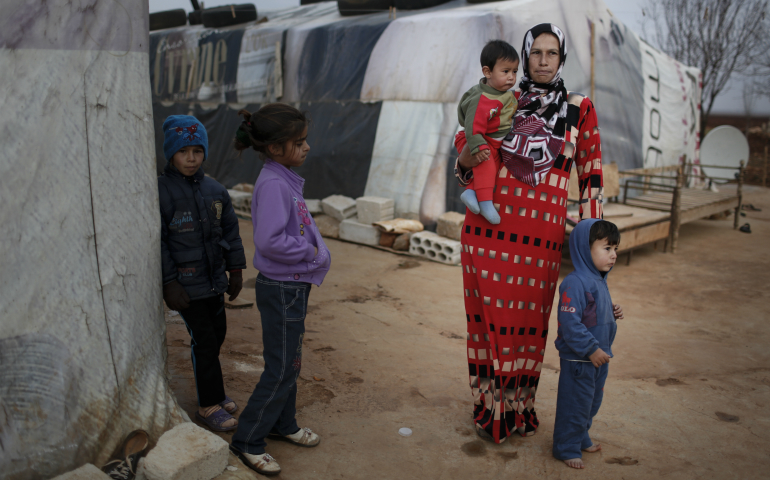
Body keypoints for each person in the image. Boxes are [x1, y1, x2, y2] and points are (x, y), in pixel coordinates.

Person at [454, 23, 605, 444]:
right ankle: (490, 410)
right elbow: (463, 156)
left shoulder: (579, 108)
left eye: (551, 53)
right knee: (487, 326)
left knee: (528, 329)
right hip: (487, 233)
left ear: (561, 59)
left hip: (539, 246)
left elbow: (590, 177)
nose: (542, 60)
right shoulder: (503, 94)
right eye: (535, 52)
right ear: (524, 56)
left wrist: (595, 248)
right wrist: (470, 148)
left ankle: (518, 409)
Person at [228, 103, 331, 477]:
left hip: (293, 286)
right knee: (281, 366)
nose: (306, 148)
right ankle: (248, 440)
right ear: (274, 148)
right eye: (298, 142)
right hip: (283, 288)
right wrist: (311, 252)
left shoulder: (283, 176)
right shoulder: (273, 183)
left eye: (305, 140)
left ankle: (282, 424)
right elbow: (269, 241)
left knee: (291, 361)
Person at [158, 115, 246, 432]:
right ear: (171, 153)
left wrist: (235, 271)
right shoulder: (161, 191)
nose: (192, 158)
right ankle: (208, 406)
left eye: (197, 150)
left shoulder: (216, 190)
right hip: (186, 286)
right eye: (184, 151)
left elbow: (231, 234)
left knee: (217, 336)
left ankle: (216, 393)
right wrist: (169, 283)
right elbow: (159, 242)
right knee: (205, 342)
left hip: (213, 282)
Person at [553, 219, 623, 469]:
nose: (613, 255)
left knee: (591, 403)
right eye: (607, 249)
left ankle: (580, 436)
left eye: (615, 249)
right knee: (575, 403)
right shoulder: (575, 282)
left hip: (599, 357)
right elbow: (570, 323)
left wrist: (611, 311)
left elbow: (591, 312)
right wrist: (591, 349)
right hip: (580, 359)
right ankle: (565, 447)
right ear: (584, 248)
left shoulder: (599, 280)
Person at [457, 40, 519, 225]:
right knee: (487, 165)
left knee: (493, 169)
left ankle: (470, 191)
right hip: (479, 140)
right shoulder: (482, 98)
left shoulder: (504, 93)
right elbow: (472, 126)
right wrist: (478, 145)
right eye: (505, 71)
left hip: (492, 142)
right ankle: (485, 203)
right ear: (487, 72)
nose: (511, 77)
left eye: (514, 71)